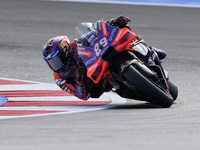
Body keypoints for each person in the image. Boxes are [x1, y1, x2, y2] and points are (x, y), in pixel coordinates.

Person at [42, 16, 166, 100]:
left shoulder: (74, 45)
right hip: (98, 82)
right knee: (123, 92)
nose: (55, 66)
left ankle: (151, 49)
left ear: (66, 51)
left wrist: (112, 23)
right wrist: (80, 81)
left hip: (100, 61)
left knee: (125, 32)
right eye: (51, 63)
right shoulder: (60, 78)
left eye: (56, 60)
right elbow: (82, 97)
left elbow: (92, 34)